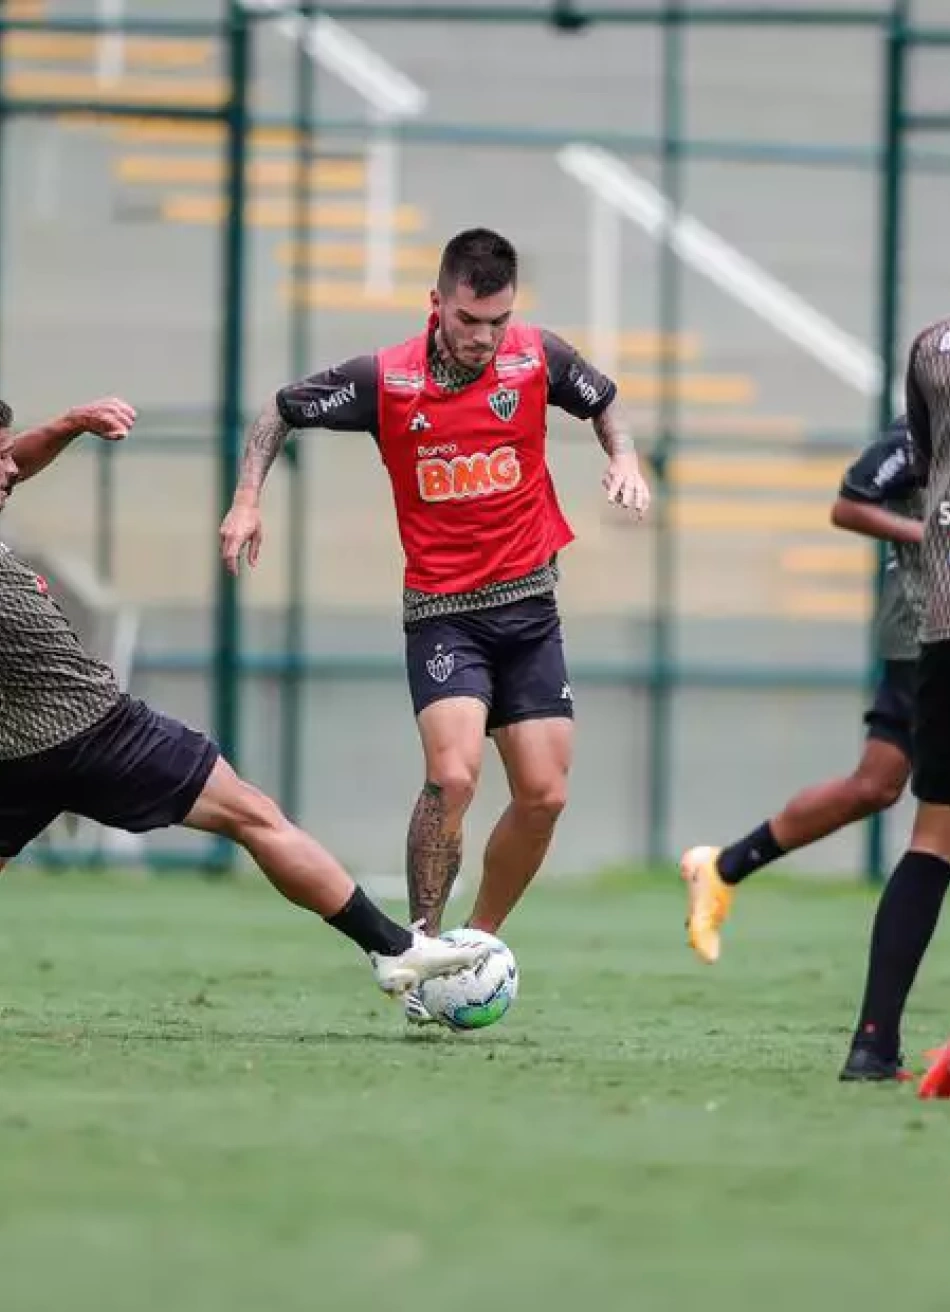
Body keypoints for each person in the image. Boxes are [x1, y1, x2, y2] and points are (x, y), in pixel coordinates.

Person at [220, 227, 651, 1021]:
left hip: (530, 608)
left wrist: (623, 458)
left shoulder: (537, 357)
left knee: (546, 795)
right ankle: (418, 949)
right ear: (436, 305)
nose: (485, 338)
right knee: (453, 778)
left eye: (497, 321)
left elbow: (605, 401)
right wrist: (248, 500)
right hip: (443, 615)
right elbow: (278, 412)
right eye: (467, 321)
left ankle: (471, 948)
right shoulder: (384, 381)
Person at [0, 396, 487, 999]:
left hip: (16, 750)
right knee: (253, 815)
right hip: (97, 730)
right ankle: (392, 947)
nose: (12, 470)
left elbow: (15, 460)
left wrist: (65, 423)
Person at [679, 416, 925, 983]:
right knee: (895, 793)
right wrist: (929, 535)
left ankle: (725, 866)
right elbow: (848, 505)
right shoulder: (917, 434)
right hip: (922, 630)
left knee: (875, 785)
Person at [840, 321, 950, 1092]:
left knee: (934, 835)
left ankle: (873, 1043)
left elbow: (923, 452)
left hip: (938, 628)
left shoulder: (931, 347)